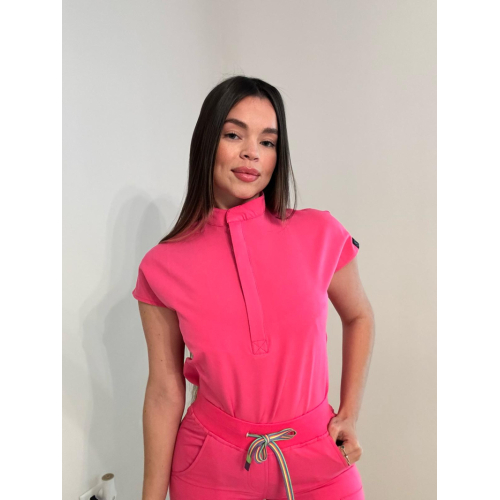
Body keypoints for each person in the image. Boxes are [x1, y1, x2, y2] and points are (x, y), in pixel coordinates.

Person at [132, 75, 375, 500]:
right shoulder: (162, 266)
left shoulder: (320, 233)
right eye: (234, 135)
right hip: (209, 468)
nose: (252, 152)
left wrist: (349, 413)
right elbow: (165, 390)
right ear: (207, 141)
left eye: (268, 141)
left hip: (318, 457)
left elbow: (359, 316)